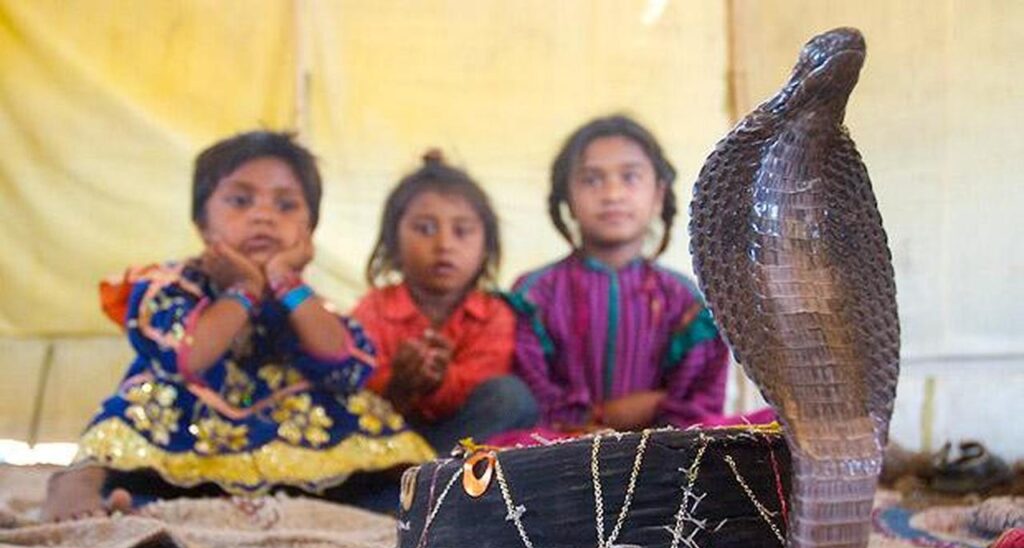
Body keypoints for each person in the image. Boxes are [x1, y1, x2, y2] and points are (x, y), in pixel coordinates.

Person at [42, 131, 433, 521]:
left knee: (361, 411)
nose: (264, 216)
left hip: (282, 426)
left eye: (286, 205)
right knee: (141, 404)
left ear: (309, 231)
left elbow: (347, 366)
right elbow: (189, 358)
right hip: (190, 422)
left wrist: (286, 283)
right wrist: (243, 290)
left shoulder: (300, 298)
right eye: (241, 201)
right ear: (203, 224)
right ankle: (80, 482)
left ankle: (413, 498)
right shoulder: (173, 285)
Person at [508, 115, 771, 432]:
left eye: (630, 177)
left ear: (658, 194)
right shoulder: (534, 295)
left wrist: (658, 411)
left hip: (662, 455)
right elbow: (528, 400)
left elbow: (697, 409)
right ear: (567, 197)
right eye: (591, 180)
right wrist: (602, 417)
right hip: (558, 451)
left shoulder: (688, 303)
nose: (612, 194)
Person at [352, 150, 538, 453]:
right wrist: (399, 384)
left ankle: (429, 475)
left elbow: (481, 388)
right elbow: (360, 392)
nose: (444, 245)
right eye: (425, 229)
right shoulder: (372, 309)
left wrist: (441, 380)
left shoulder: (495, 315)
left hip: (458, 438)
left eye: (462, 231)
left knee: (511, 397)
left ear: (485, 248)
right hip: (392, 439)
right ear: (393, 243)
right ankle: (413, 476)